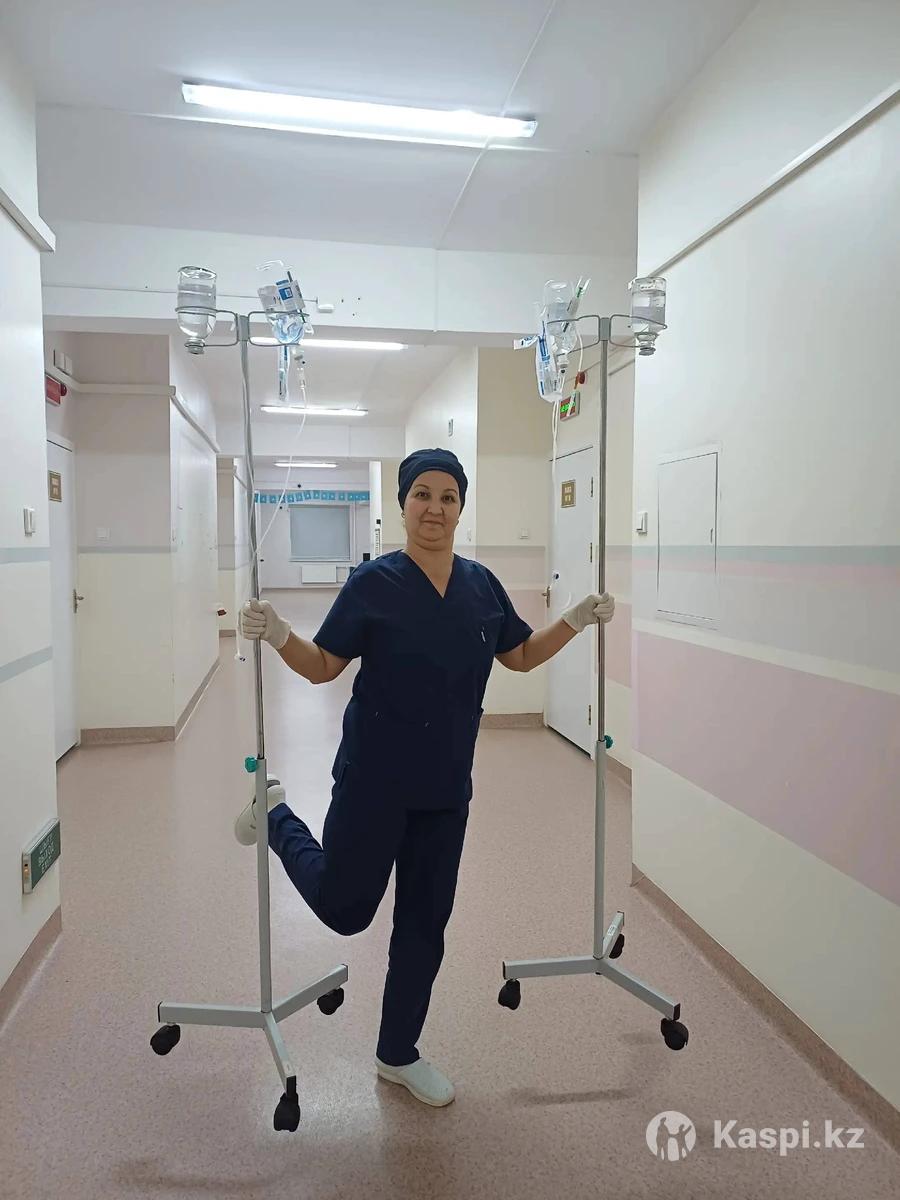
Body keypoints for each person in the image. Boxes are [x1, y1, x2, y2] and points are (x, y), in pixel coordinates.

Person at [236, 448, 615, 1107]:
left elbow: (521, 655)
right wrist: (278, 633)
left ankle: (398, 1053)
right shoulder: (373, 583)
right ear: (403, 504)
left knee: (423, 926)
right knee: (346, 910)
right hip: (374, 781)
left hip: (444, 789)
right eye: (422, 495)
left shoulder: (481, 586)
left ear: (461, 508)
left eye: (448, 497)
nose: (435, 508)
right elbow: (324, 665)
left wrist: (575, 620)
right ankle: (274, 816)